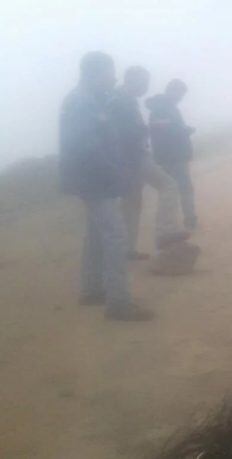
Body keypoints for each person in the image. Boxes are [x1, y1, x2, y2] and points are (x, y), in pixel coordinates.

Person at [59, 52, 153, 321]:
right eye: (110, 73)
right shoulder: (83, 103)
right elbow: (87, 147)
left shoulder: (88, 99)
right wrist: (115, 173)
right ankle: (119, 303)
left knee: (96, 234)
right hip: (96, 180)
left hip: (91, 179)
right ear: (95, 73)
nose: (114, 78)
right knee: (115, 236)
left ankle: (91, 290)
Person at [109, 66, 190, 259]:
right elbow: (124, 133)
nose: (146, 87)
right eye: (143, 82)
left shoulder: (123, 100)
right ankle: (165, 232)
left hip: (126, 158)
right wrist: (148, 129)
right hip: (134, 156)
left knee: (132, 202)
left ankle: (127, 250)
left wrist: (147, 128)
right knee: (169, 185)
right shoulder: (121, 102)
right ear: (131, 80)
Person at [146, 79, 197, 230]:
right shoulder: (162, 108)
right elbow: (165, 132)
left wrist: (183, 130)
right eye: (179, 93)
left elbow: (167, 128)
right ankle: (181, 222)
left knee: (176, 189)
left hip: (171, 155)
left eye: (182, 94)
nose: (180, 97)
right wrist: (185, 131)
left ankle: (182, 221)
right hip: (172, 155)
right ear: (170, 90)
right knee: (179, 189)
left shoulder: (167, 107)